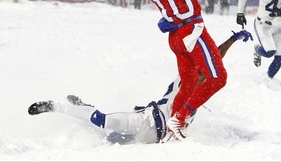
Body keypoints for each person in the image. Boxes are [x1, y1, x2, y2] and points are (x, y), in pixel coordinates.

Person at [93, 0, 228, 141]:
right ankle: (180, 118)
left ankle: (170, 132)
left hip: (175, 37)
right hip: (192, 31)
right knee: (218, 78)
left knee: (189, 84)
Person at [28, 30, 253, 145]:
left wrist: (232, 40)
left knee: (111, 139)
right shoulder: (192, 77)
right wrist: (231, 41)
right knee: (105, 122)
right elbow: (213, 60)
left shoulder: (197, 83)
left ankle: (85, 107)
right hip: (147, 120)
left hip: (153, 137)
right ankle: (55, 106)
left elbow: (213, 61)